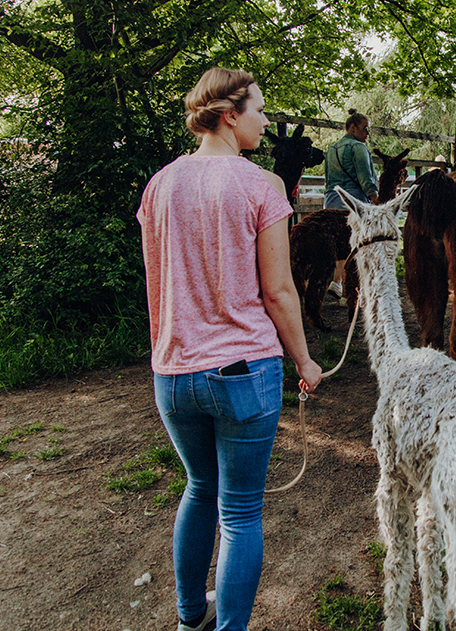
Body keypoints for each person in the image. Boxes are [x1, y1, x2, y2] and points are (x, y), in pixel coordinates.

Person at [138, 66, 323, 631]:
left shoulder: (160, 185)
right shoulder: (259, 187)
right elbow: (279, 290)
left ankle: (190, 618)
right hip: (244, 371)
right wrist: (305, 360)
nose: (265, 122)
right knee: (240, 512)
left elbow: (156, 284)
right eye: (259, 111)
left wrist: (165, 353)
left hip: (173, 373)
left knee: (199, 489)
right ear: (227, 115)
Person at [322, 109, 378, 297]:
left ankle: (337, 283)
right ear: (352, 128)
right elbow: (365, 178)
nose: (367, 134)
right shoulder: (358, 148)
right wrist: (375, 198)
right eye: (365, 129)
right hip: (354, 201)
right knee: (359, 244)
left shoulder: (331, 149)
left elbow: (329, 179)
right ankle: (354, 289)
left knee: (341, 244)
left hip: (331, 200)